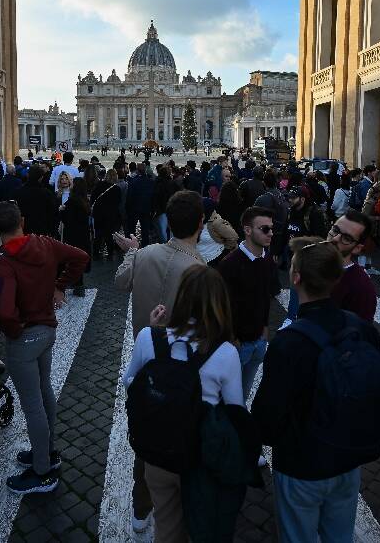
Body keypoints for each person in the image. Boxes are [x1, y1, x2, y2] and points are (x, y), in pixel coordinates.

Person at [253, 237, 380, 543]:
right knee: (339, 535)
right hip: (347, 455)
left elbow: (268, 414)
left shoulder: (289, 342)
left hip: (301, 462)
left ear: (296, 277)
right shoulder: (362, 328)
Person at [122, 264, 244, 542]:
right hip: (200, 458)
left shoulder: (148, 337)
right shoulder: (226, 352)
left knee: (166, 526)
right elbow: (236, 412)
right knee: (201, 527)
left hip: (158, 452)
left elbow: (130, 384)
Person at [114, 191, 206, 532]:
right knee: (183, 433)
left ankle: (141, 508)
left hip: (147, 355)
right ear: (200, 223)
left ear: (167, 219)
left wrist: (132, 253)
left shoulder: (146, 254)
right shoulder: (199, 269)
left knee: (147, 435)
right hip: (184, 367)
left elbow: (120, 283)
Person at [0, 201, 89, 494]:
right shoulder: (45, 243)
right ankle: (47, 451)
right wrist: (60, 284)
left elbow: (7, 312)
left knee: (32, 405)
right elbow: (81, 257)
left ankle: (42, 470)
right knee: (44, 391)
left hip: (24, 337)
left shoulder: (6, 262)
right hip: (47, 329)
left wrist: (13, 332)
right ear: (23, 220)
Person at [218, 207, 280, 398]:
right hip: (237, 344)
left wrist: (264, 327)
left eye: (271, 228)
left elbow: (266, 295)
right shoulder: (229, 264)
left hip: (259, 340)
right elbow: (223, 306)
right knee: (227, 396)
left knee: (243, 395)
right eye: (265, 229)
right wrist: (232, 338)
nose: (271, 233)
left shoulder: (267, 260)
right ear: (247, 230)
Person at [60, 178, 91, 296]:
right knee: (79, 258)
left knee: (73, 259)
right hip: (83, 234)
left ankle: (76, 284)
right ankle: (79, 284)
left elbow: (68, 220)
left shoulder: (72, 201)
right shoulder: (84, 200)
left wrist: (61, 211)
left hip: (73, 235)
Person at [13, 165, 59, 238]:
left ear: (28, 175)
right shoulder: (47, 193)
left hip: (23, 229)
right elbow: (52, 213)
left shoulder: (18, 192)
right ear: (41, 177)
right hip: (41, 230)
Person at [125, 162, 157, 246]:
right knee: (145, 229)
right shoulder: (151, 182)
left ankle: (132, 244)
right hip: (146, 208)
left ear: (137, 171)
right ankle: (145, 245)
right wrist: (153, 209)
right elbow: (153, 197)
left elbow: (129, 196)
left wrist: (128, 208)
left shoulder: (133, 181)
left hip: (134, 208)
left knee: (132, 228)